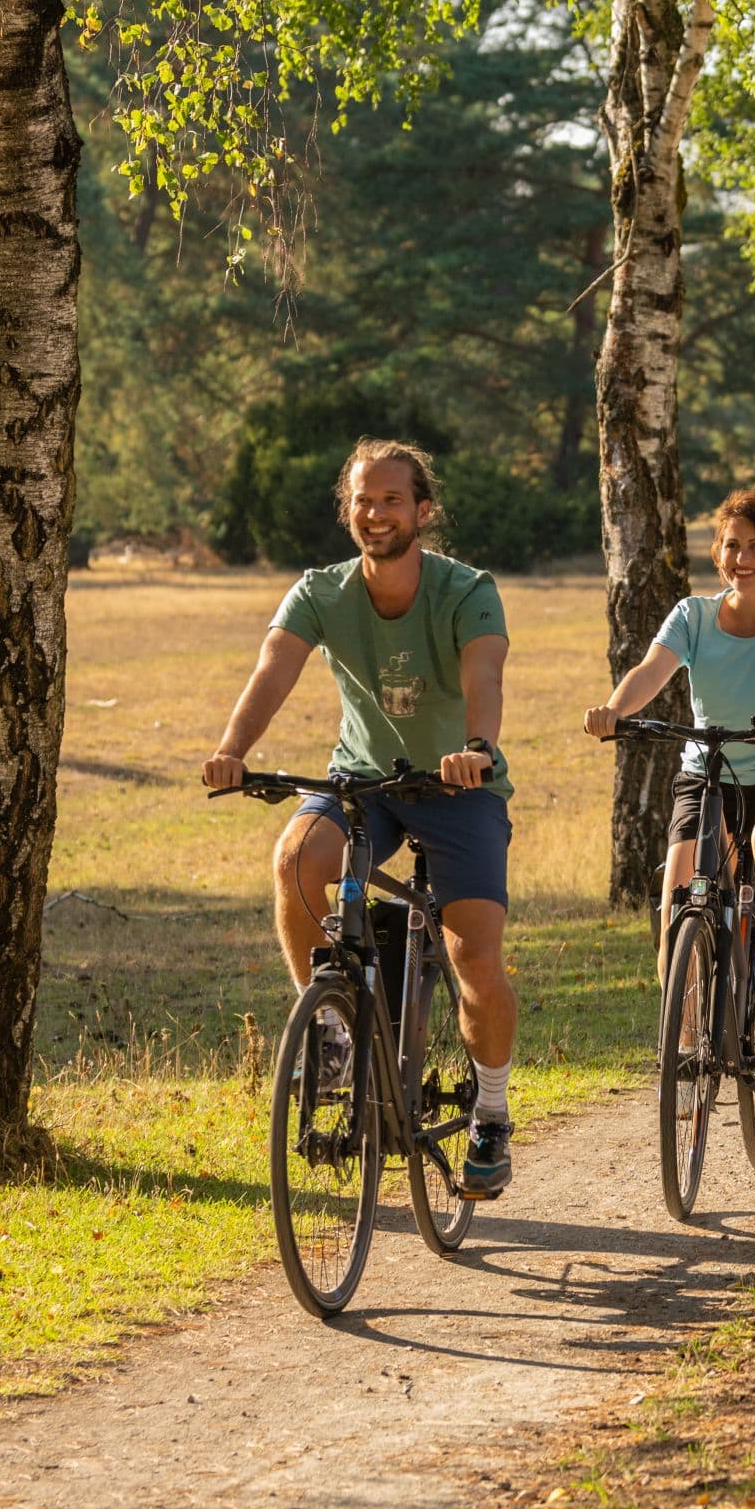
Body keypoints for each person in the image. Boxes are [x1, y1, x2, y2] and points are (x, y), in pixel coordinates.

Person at [203, 440, 519, 1198]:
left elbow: (484, 673)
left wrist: (477, 749)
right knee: (295, 860)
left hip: (458, 786)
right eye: (362, 501)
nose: (375, 514)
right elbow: (273, 668)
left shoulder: (467, 589)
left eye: (391, 500)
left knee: (474, 955)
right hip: (364, 783)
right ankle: (331, 1031)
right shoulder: (321, 591)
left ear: (423, 511)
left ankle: (491, 1111)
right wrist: (233, 750)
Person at [583, 490, 755, 1021]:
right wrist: (614, 710)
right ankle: (683, 1040)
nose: (742, 559)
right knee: (677, 898)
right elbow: (650, 671)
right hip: (707, 775)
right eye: (732, 545)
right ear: (717, 552)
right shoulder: (693, 615)